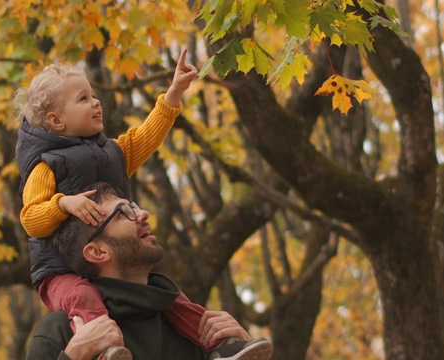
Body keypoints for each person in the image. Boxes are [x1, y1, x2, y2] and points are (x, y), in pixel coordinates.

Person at [14, 49, 260, 359]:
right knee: (82, 297)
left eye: (93, 95)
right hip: (59, 270)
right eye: (83, 99)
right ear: (56, 120)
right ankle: (104, 346)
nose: (96, 102)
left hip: (99, 267)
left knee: (176, 299)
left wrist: (172, 95)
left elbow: (146, 136)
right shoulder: (45, 166)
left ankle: (222, 348)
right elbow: (31, 218)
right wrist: (63, 204)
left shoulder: (111, 154)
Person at [29, 181, 273, 360]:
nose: (143, 214)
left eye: (134, 207)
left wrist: (242, 343)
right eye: (123, 213)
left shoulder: (195, 332)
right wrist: (73, 357)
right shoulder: (63, 331)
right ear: (98, 252)